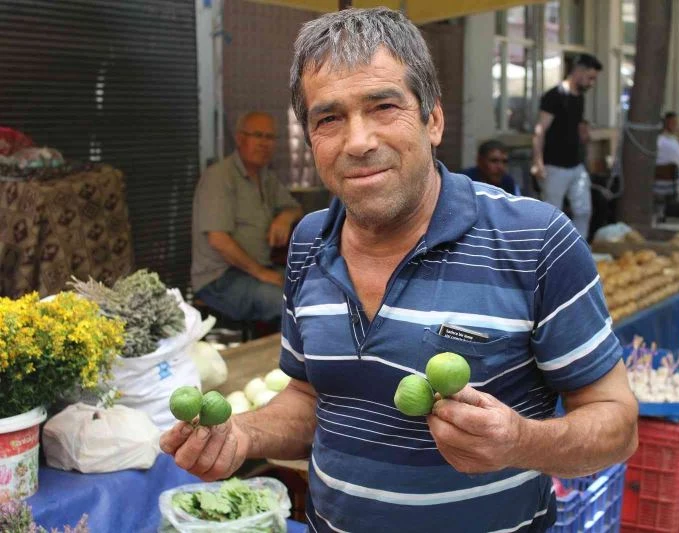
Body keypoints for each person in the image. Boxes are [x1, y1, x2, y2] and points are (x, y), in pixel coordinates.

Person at [163, 9, 637, 533]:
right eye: (329, 118)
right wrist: (244, 435)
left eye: (383, 106)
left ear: (433, 119)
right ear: (311, 138)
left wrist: (519, 441)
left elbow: (617, 424)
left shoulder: (534, 240)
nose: (358, 141)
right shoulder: (307, 243)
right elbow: (311, 397)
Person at [191, 111, 303, 322]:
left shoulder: (265, 177)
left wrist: (285, 217)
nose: (264, 143)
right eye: (257, 135)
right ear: (240, 138)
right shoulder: (219, 177)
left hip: (257, 271)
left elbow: (295, 207)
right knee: (288, 304)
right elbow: (219, 240)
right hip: (219, 279)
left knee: (316, 291)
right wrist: (262, 273)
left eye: (269, 137)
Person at [531, 53, 603, 240]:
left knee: (584, 210)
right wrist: (538, 162)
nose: (591, 83)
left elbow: (576, 123)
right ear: (579, 71)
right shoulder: (554, 96)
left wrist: (584, 131)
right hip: (554, 166)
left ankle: (579, 255)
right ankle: (549, 259)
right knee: (551, 216)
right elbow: (540, 130)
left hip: (576, 165)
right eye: (590, 78)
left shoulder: (579, 97)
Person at [656, 111, 679, 193]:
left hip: (653, 187)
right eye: (675, 123)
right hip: (672, 189)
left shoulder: (653, 142)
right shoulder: (674, 144)